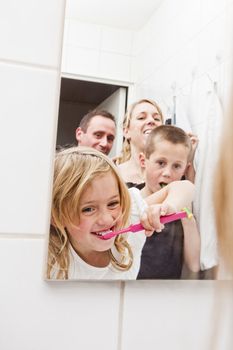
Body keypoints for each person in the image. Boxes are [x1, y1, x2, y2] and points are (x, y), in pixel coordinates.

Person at [46, 146, 195, 280]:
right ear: (56, 216)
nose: (106, 219)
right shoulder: (48, 260)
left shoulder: (130, 216)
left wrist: (168, 206)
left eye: (112, 204)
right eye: (88, 209)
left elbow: (186, 187)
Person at [136, 125, 200, 279]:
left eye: (177, 166)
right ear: (143, 160)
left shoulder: (183, 210)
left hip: (167, 296)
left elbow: (194, 264)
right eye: (161, 163)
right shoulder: (131, 196)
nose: (167, 173)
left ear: (186, 169)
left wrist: (186, 214)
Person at [115, 99, 164, 187]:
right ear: (126, 132)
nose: (151, 121)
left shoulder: (172, 173)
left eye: (156, 118)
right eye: (141, 118)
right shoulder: (113, 174)